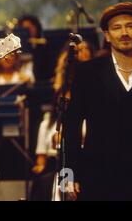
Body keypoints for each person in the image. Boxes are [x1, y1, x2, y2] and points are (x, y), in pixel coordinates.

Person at [65, 2, 132, 201]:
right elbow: (72, 126)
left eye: (130, 26)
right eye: (117, 28)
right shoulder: (87, 73)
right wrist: (69, 174)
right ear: (107, 36)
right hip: (98, 178)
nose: (124, 33)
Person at [30, 41, 94, 201]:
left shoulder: (92, 92)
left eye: (85, 49)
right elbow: (41, 160)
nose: (81, 53)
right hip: (55, 164)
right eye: (77, 50)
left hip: (82, 161)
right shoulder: (49, 120)